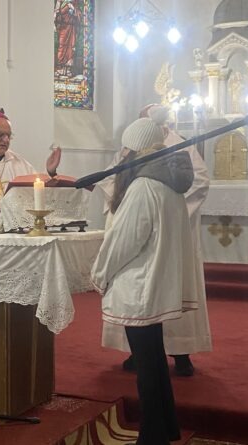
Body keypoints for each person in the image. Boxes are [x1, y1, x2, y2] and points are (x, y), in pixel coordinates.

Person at [91, 117, 197, 445]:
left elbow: (124, 240)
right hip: (155, 283)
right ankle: (166, 427)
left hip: (138, 286)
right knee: (155, 362)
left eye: (126, 148)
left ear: (135, 149)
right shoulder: (169, 182)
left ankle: (152, 436)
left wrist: (100, 274)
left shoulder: (143, 186)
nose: (123, 154)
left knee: (148, 369)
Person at [99, 104, 211, 377]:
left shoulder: (178, 148)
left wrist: (166, 216)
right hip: (152, 233)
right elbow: (113, 177)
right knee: (147, 331)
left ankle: (181, 352)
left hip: (154, 243)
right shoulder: (136, 156)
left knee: (150, 304)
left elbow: (199, 182)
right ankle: (138, 354)